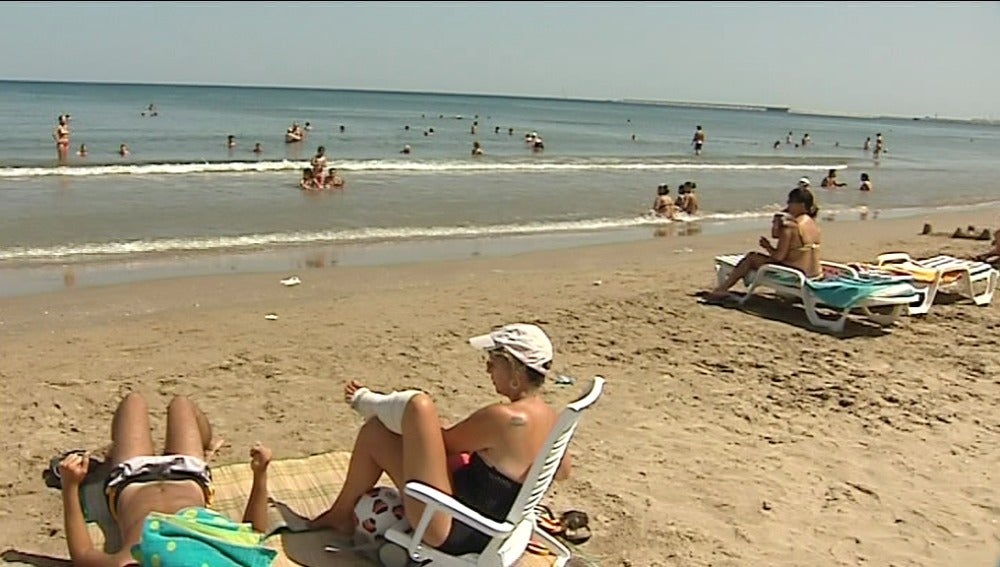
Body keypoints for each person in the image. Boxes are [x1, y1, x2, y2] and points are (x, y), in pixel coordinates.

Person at [310, 323, 571, 556]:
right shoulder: (551, 420)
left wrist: (424, 431)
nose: (487, 367)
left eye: (493, 360)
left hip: (450, 526)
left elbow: (445, 445)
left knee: (419, 407)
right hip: (491, 527)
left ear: (515, 371)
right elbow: (562, 472)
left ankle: (368, 401)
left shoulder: (504, 417)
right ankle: (340, 515)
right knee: (376, 432)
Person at [56, 393, 274, 566]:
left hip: (132, 478)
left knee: (133, 402)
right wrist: (260, 474)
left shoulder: (133, 560)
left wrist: (70, 486)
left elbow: (83, 555)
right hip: (189, 475)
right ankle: (206, 442)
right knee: (181, 403)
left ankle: (116, 453)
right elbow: (252, 534)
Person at [705, 184, 821, 300]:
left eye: (790, 202)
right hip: (814, 273)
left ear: (800, 205)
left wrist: (767, 246)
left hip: (795, 274)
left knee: (751, 258)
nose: (788, 205)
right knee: (755, 258)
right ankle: (723, 289)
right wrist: (778, 221)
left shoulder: (791, 226)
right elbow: (777, 237)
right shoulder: (812, 224)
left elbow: (778, 257)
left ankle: (722, 289)